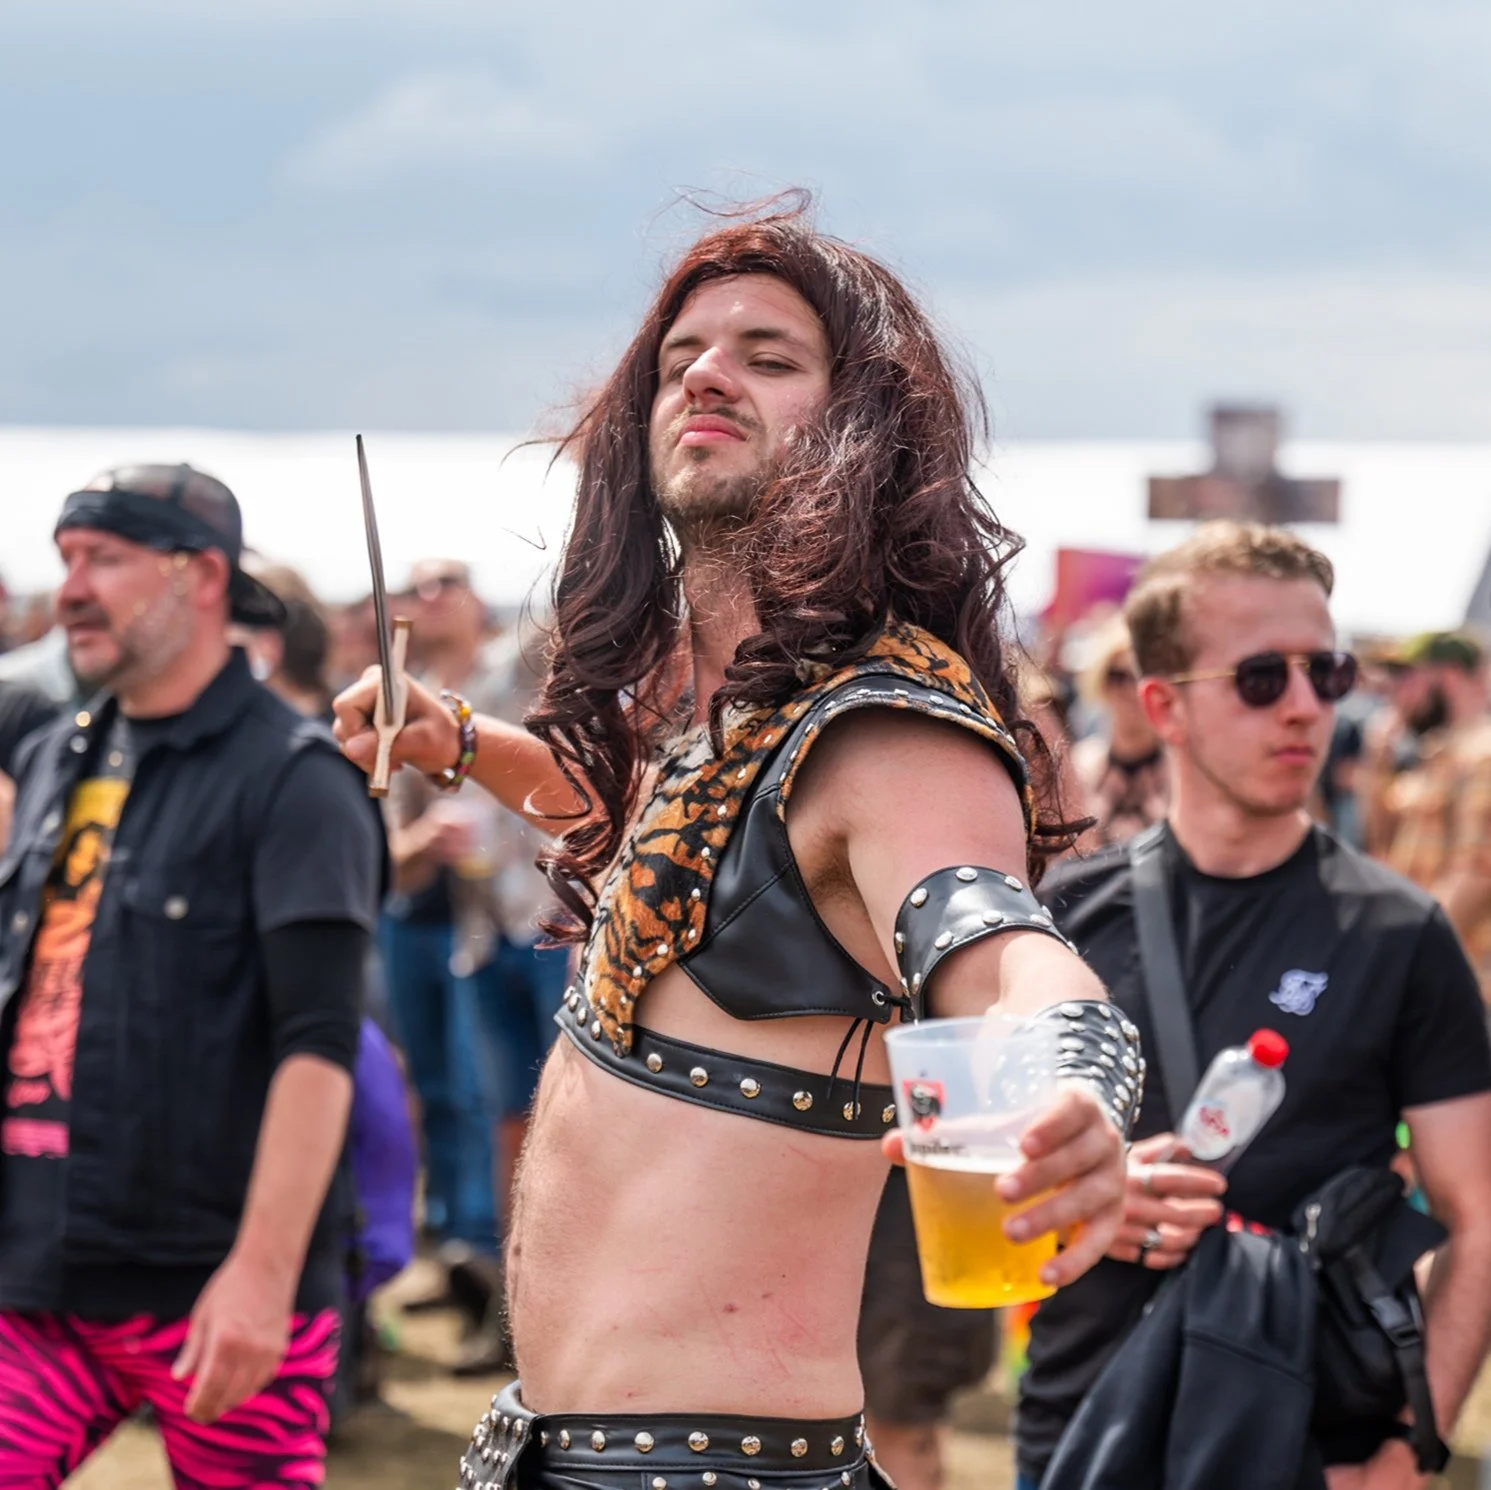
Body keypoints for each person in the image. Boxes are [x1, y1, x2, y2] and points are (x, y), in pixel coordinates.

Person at [334, 201, 1133, 1490]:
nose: (706, 372)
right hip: (555, 1449)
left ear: (865, 425)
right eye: (682, 356)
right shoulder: (737, 716)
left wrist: (1075, 1078)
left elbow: (1000, 945)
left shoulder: (884, 730)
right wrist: (459, 739)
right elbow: (658, 856)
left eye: (770, 356)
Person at [1015, 523, 1491, 1489]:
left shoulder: (1399, 933)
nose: (1307, 707)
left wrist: (1413, 1449)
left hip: (1309, 1443)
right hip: (1082, 1429)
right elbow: (969, 1169)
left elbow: (1474, 1216)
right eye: (1261, 677)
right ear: (1163, 707)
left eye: (1328, 671)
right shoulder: (1057, 919)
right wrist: (1092, 1197)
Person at [0, 463, 382, 1488]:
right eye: (66, 559)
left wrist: (262, 1275)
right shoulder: (54, 759)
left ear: (199, 576)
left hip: (215, 1277)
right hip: (40, 1265)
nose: (70, 587)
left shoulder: (296, 779)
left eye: (106, 558)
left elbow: (319, 1047)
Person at [1378, 631, 1491, 1003]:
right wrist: (1373, 762)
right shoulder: (1439, 751)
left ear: (1449, 676)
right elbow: (1379, 846)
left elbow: (1477, 873)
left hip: (1465, 980)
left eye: (1408, 679)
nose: (1398, 694)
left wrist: (1409, 955)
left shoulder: (1482, 756)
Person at [1068, 616, 1168, 848]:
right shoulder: (1080, 764)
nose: (1131, 692)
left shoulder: (1183, 771)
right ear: (1101, 681)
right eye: (1119, 677)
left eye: (1142, 678)